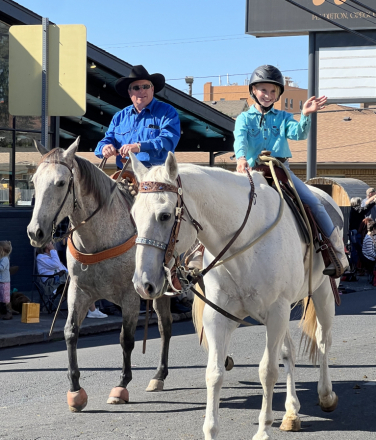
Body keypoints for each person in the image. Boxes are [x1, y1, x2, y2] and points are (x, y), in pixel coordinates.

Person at [234, 64, 348, 276]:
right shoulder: (243, 119)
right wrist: (241, 158)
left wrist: (305, 115)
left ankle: (337, 251)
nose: (268, 95)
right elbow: (240, 139)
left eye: (272, 91)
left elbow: (299, 135)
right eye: (263, 90)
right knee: (226, 199)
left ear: (278, 94)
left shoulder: (284, 117)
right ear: (253, 91)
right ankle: (199, 254)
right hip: (251, 170)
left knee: (313, 202)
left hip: (280, 170)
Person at [94, 65, 180, 169]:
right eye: (136, 88)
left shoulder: (167, 111)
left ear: (152, 89)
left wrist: (139, 146)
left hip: (157, 174)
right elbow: (105, 142)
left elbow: (168, 140)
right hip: (125, 175)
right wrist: (104, 147)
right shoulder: (119, 117)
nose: (141, 91)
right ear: (129, 92)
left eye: (145, 86)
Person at [0, 241, 12, 320]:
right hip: (1, 281)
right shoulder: (2, 258)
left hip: (4, 282)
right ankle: (4, 311)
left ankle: (9, 312)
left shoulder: (5, 259)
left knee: (5, 298)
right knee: (1, 297)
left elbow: (1, 268)